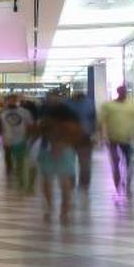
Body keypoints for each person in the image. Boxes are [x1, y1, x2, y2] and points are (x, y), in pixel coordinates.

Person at [36, 89, 83, 222]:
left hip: (56, 148)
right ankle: (60, 210)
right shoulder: (64, 111)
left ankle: (59, 209)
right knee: (58, 180)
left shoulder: (58, 112)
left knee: (58, 180)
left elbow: (42, 129)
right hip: (57, 148)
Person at [101, 84, 134, 194]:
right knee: (116, 161)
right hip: (112, 138)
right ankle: (117, 179)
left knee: (129, 161)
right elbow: (101, 121)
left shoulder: (132, 105)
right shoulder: (109, 106)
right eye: (122, 91)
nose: (124, 94)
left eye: (125, 92)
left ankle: (127, 180)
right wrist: (101, 135)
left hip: (128, 138)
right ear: (118, 92)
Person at [0, 96, 35, 191]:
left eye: (14, 100)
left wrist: (30, 137)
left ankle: (19, 175)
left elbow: (30, 125)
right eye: (10, 100)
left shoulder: (25, 112)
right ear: (6, 101)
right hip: (7, 138)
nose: (12, 102)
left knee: (20, 158)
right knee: (7, 155)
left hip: (21, 138)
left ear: (18, 101)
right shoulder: (2, 112)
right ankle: (9, 170)